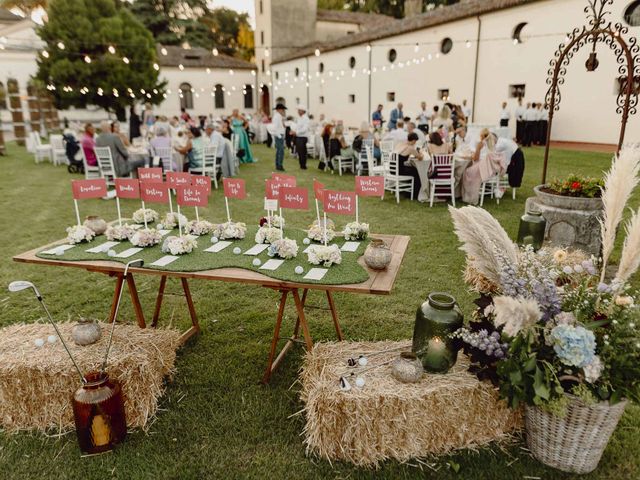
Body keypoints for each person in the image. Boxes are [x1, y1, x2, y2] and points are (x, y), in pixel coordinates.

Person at [461, 129, 506, 205]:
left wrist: (476, 151)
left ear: (482, 136)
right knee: (471, 170)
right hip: (491, 172)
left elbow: (476, 158)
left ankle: (469, 196)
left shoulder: (481, 144)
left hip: (482, 169)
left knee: (467, 172)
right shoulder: (492, 145)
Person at [393, 132, 425, 200]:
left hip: (393, 168)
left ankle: (408, 190)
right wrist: (421, 153)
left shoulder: (401, 143)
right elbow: (420, 158)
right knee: (416, 172)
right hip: (399, 170)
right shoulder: (410, 148)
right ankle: (413, 194)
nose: (415, 143)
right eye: (415, 141)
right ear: (413, 140)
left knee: (412, 169)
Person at [291, 104, 310, 169]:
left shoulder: (306, 119)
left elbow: (304, 129)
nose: (298, 112)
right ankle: (301, 165)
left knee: (302, 151)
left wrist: (296, 132)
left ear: (303, 111)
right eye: (298, 110)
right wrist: (294, 131)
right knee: (299, 151)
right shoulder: (299, 118)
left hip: (302, 137)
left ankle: (303, 165)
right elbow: (298, 127)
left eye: (299, 110)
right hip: (298, 136)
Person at [270, 103, 286, 171]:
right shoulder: (277, 116)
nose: (283, 111)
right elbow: (275, 127)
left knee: (279, 151)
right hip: (279, 135)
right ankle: (279, 165)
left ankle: (278, 165)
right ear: (279, 109)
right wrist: (279, 136)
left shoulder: (278, 116)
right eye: (282, 109)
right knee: (280, 151)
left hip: (279, 134)